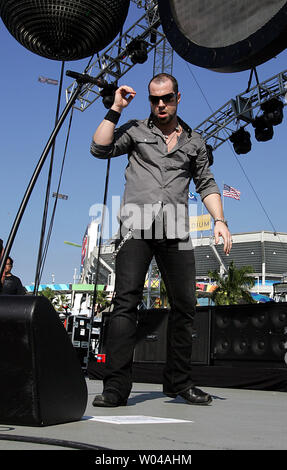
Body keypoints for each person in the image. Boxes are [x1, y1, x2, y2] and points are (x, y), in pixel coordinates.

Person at [90, 73, 232, 407]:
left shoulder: (194, 141)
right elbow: (99, 147)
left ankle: (178, 383)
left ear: (178, 97)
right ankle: (115, 388)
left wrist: (220, 220)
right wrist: (115, 109)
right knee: (126, 302)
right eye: (154, 99)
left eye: (166, 98)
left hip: (175, 229)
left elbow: (207, 184)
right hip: (136, 227)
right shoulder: (137, 130)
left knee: (185, 305)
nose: (160, 104)